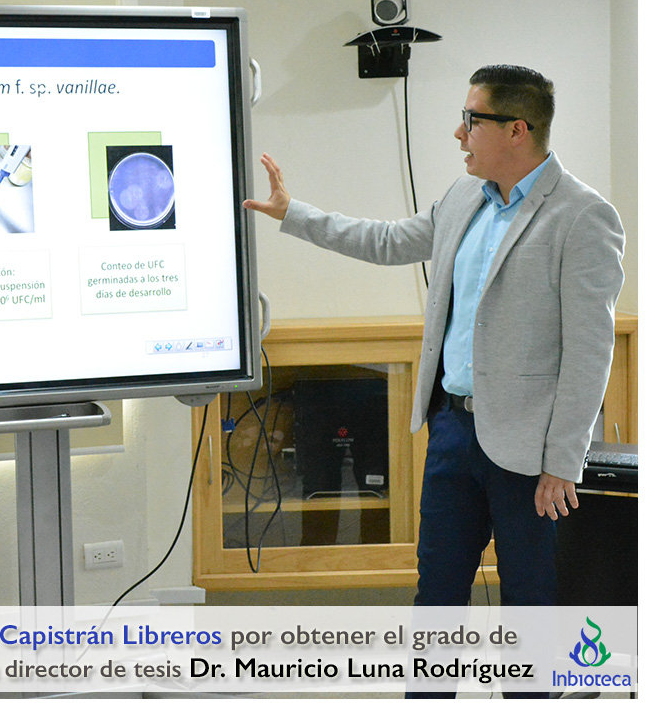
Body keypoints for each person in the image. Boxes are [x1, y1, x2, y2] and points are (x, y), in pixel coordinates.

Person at [244, 64, 625, 652]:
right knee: (436, 598)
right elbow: (388, 241)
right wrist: (294, 213)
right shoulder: (464, 197)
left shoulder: (582, 215)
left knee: (531, 606)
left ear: (517, 129)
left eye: (472, 120)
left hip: (530, 452)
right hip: (452, 430)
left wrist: (562, 461)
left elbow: (590, 351)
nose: (458, 132)